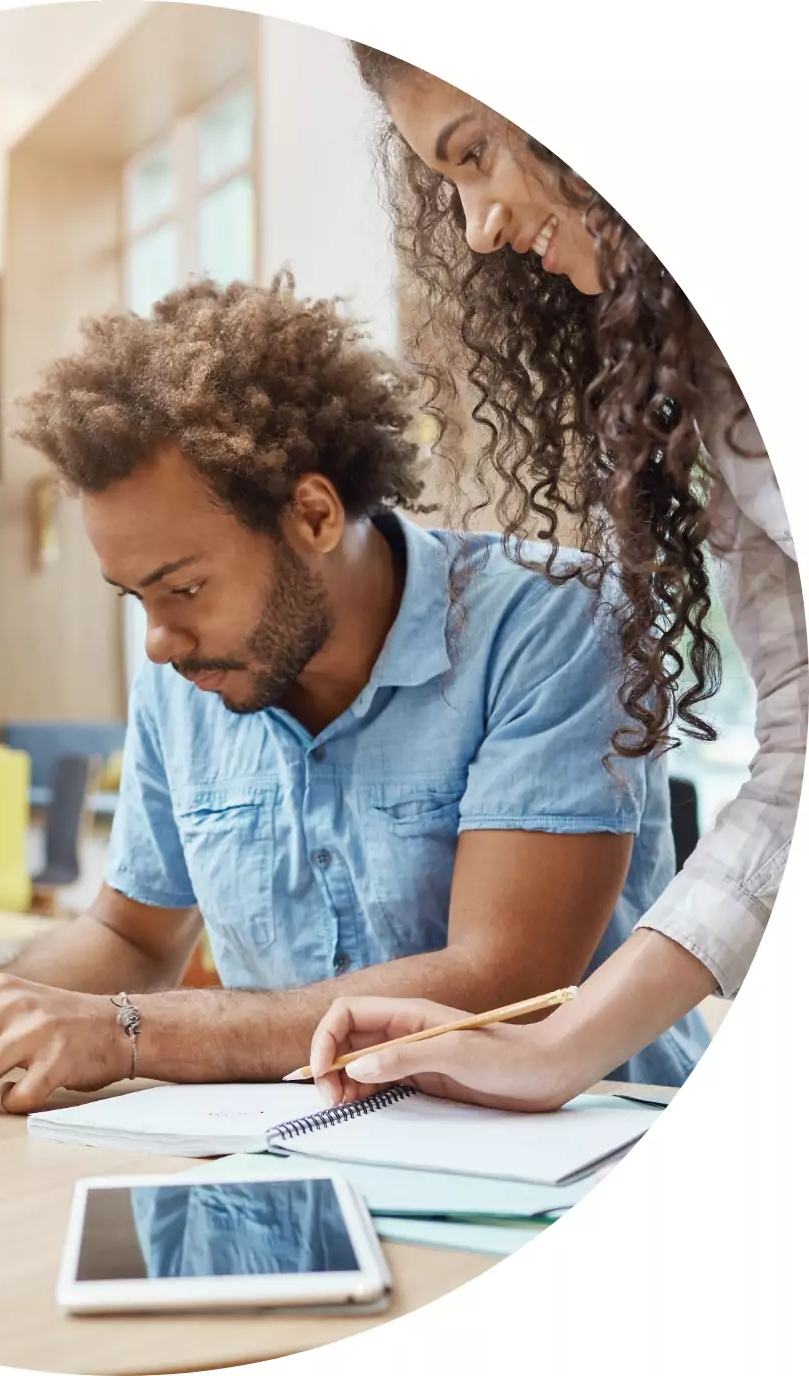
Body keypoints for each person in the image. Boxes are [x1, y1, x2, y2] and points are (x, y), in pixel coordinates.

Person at [0, 276, 706, 1111]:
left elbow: (504, 984)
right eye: (137, 599)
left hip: (578, 1149)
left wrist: (129, 1034)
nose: (159, 642)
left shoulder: (553, 621)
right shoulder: (189, 679)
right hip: (306, 1145)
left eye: (184, 588)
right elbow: (132, 938)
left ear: (313, 515)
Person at [303, 45, 805, 1111]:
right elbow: (794, 761)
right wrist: (549, 1049)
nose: (479, 225)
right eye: (450, 181)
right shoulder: (709, 393)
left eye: (478, 153)